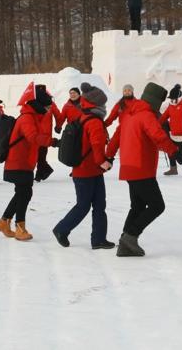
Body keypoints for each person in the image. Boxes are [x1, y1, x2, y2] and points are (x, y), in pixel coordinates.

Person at [105, 83, 182, 257]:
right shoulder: (146, 115)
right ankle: (130, 237)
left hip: (129, 167)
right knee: (157, 205)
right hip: (142, 168)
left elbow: (117, 137)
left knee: (138, 206)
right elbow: (159, 136)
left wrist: (108, 156)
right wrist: (175, 153)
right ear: (155, 102)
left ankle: (125, 242)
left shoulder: (128, 114)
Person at [53, 83, 115, 249]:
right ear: (97, 104)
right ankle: (61, 229)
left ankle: (99, 239)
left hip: (88, 170)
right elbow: (96, 146)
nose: (105, 107)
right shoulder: (94, 121)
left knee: (99, 205)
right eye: (103, 104)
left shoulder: (83, 116)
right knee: (84, 205)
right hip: (87, 171)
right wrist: (104, 163)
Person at [0, 84, 55, 241]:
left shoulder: (33, 116)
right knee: (24, 193)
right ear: (39, 105)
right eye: (47, 106)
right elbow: (33, 137)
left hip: (25, 162)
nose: (49, 109)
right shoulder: (27, 118)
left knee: (23, 193)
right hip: (18, 162)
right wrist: (53, 141)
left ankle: (4, 222)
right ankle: (19, 228)